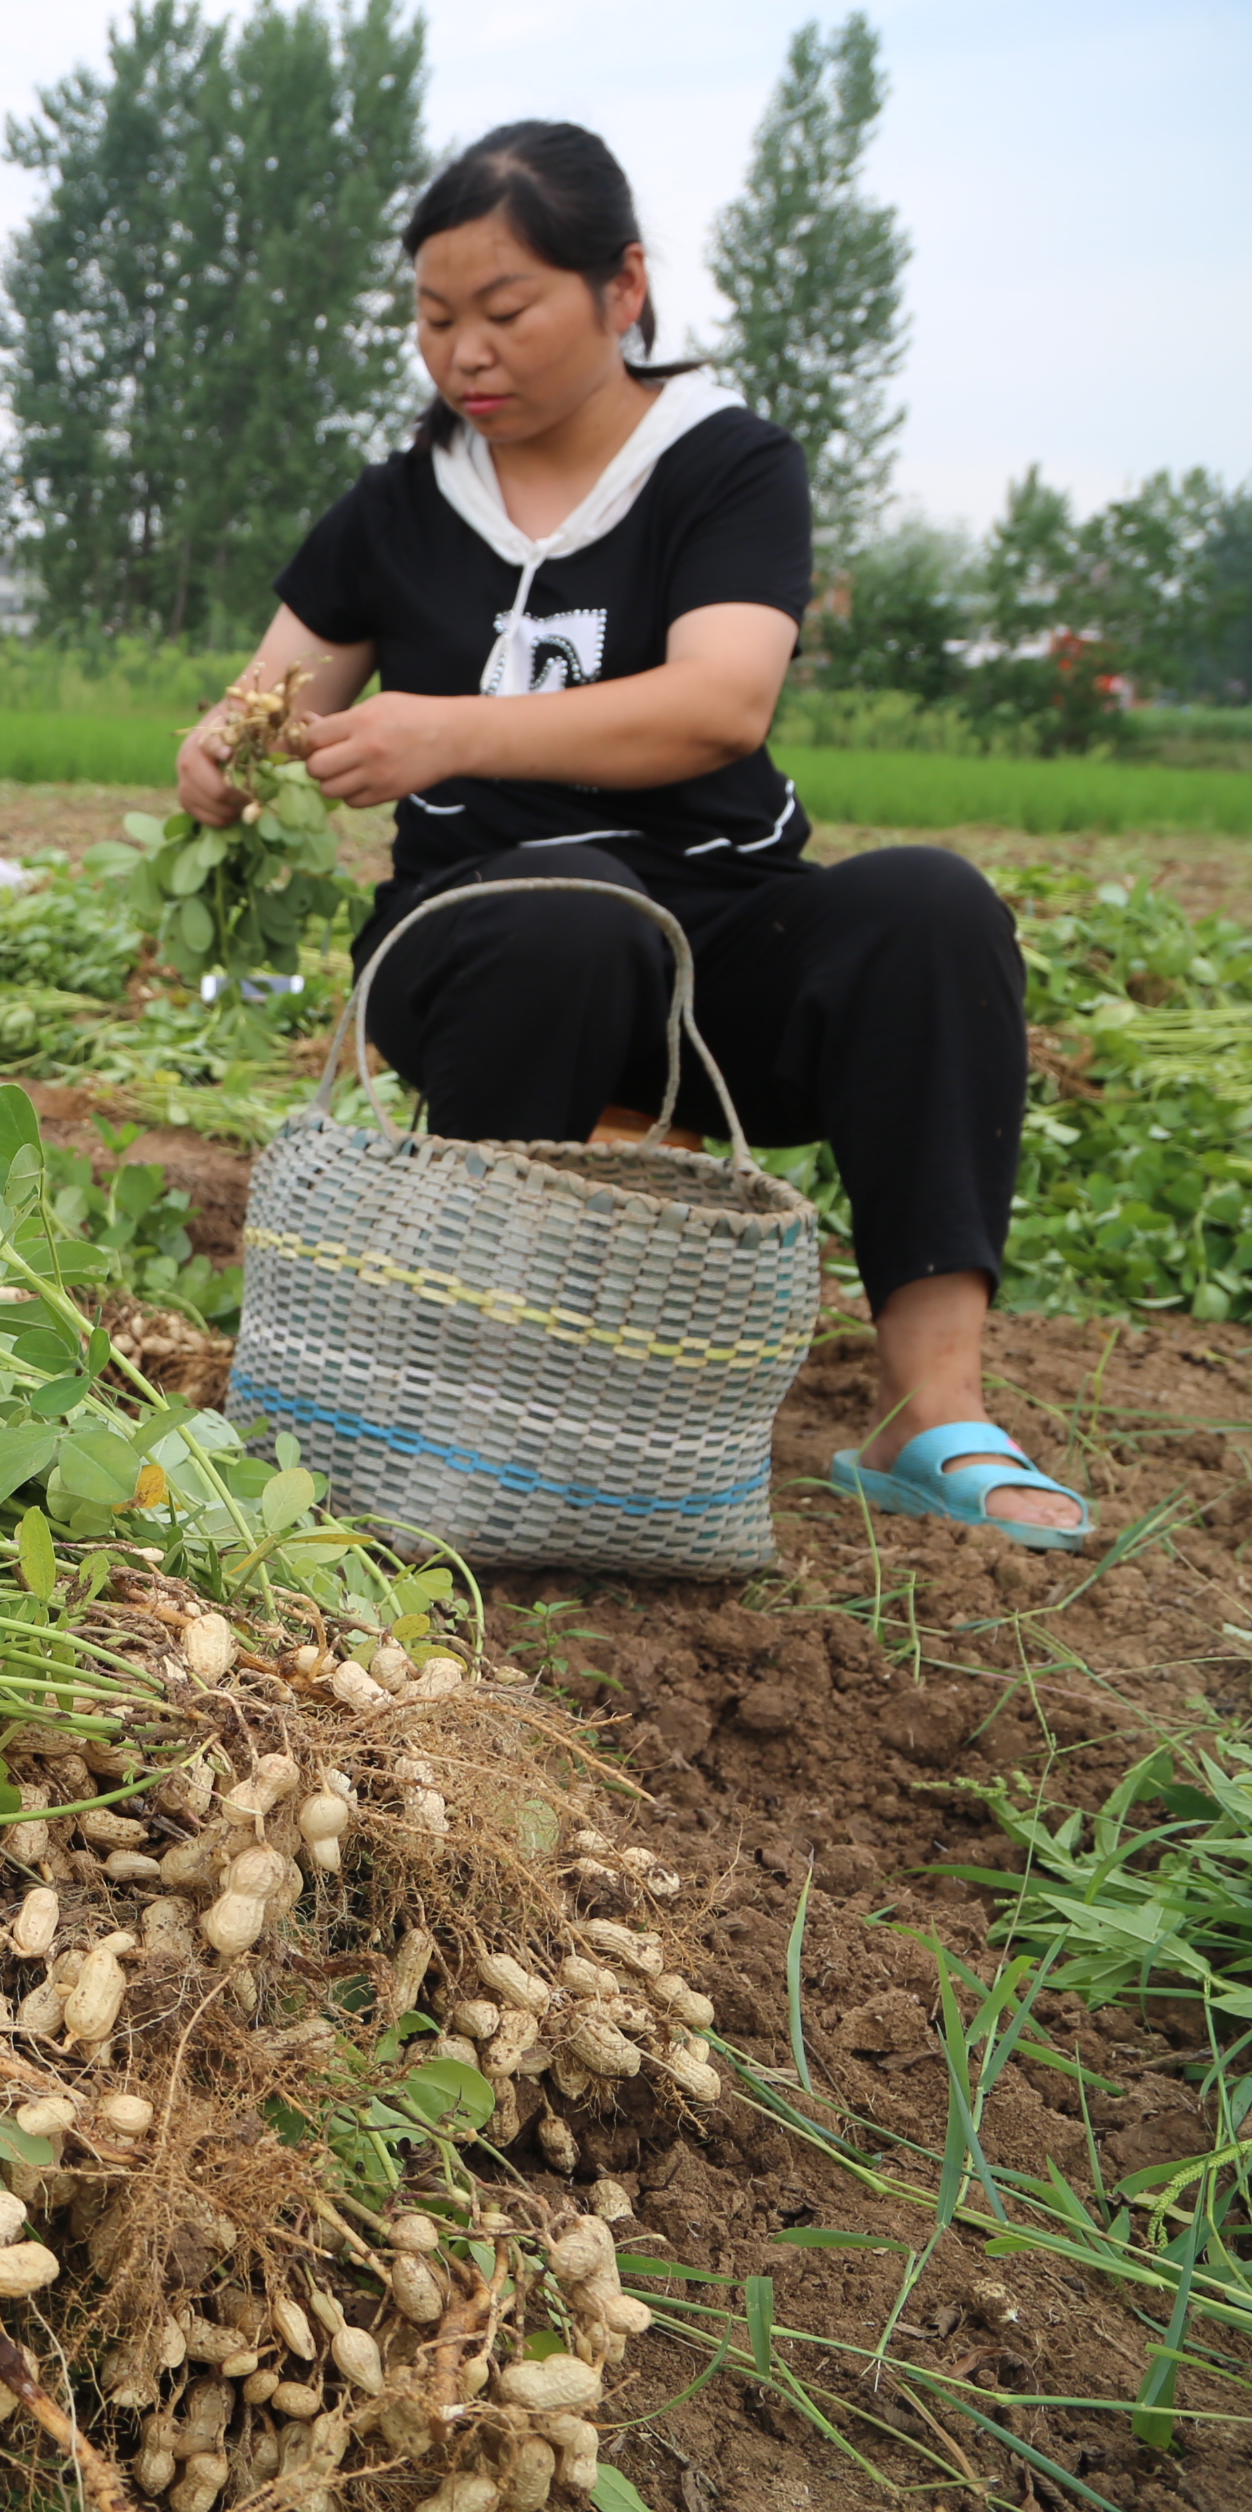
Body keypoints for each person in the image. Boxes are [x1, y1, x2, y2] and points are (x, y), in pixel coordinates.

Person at [187, 120, 1089, 1552]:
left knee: (930, 909)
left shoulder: (720, 467)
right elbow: (264, 693)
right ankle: (465, 1395)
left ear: (622, 288)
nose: (464, 353)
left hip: (717, 944)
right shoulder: (399, 507)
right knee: (568, 909)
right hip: (485, 947)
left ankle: (933, 1409)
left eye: (504, 311)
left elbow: (720, 704)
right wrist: (219, 756)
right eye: (433, 320)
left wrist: (448, 727)